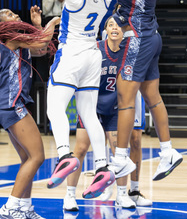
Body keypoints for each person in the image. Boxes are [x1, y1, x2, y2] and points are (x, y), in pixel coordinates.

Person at [82, 0, 183, 182]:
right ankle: (168, 151)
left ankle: (120, 158)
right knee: (153, 97)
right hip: (150, 36)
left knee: (125, 101)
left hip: (138, 37)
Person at [43, 0, 116, 197]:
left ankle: (64, 155)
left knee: (55, 109)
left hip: (72, 54)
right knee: (88, 114)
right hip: (92, 55)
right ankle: (102, 167)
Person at [64, 18, 151, 211]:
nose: (115, 28)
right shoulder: (95, 49)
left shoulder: (128, 53)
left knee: (119, 152)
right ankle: (69, 196)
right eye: (111, 25)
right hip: (91, 108)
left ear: (123, 31)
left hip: (114, 109)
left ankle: (121, 195)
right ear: (105, 30)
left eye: (119, 26)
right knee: (80, 149)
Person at [0, 8, 57, 219]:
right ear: (0, 23)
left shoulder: (16, 40)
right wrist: (54, 21)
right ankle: (10, 207)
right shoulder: (9, 37)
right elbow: (43, 40)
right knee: (38, 156)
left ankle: (24, 208)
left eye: (15, 13)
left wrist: (37, 25)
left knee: (27, 158)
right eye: (9, 14)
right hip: (10, 102)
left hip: (9, 102)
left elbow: (40, 50)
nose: (15, 16)